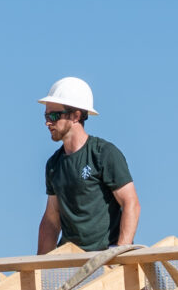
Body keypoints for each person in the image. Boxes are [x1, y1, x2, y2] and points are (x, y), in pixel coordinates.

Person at [36, 77, 139, 253]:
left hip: (104, 259)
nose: (48, 122)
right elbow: (52, 220)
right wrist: (38, 270)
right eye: (46, 115)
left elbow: (131, 203)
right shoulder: (54, 164)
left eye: (53, 115)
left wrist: (119, 254)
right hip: (71, 263)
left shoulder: (103, 154)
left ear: (76, 116)